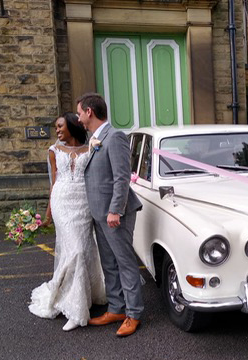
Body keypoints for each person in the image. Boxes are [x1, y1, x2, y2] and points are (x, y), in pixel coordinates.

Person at [28, 112, 106, 332]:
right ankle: (75, 309)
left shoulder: (92, 147)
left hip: (84, 202)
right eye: (56, 127)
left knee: (83, 249)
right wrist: (48, 214)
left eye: (61, 126)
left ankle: (82, 293)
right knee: (76, 251)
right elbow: (53, 181)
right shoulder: (53, 151)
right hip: (62, 202)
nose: (58, 130)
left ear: (72, 126)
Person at [76, 93, 144, 337]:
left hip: (116, 214)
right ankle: (116, 307)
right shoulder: (95, 138)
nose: (78, 117)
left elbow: (122, 177)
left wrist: (116, 209)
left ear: (89, 112)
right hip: (99, 213)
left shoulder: (114, 137)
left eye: (79, 113)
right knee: (109, 263)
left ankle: (134, 313)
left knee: (125, 262)